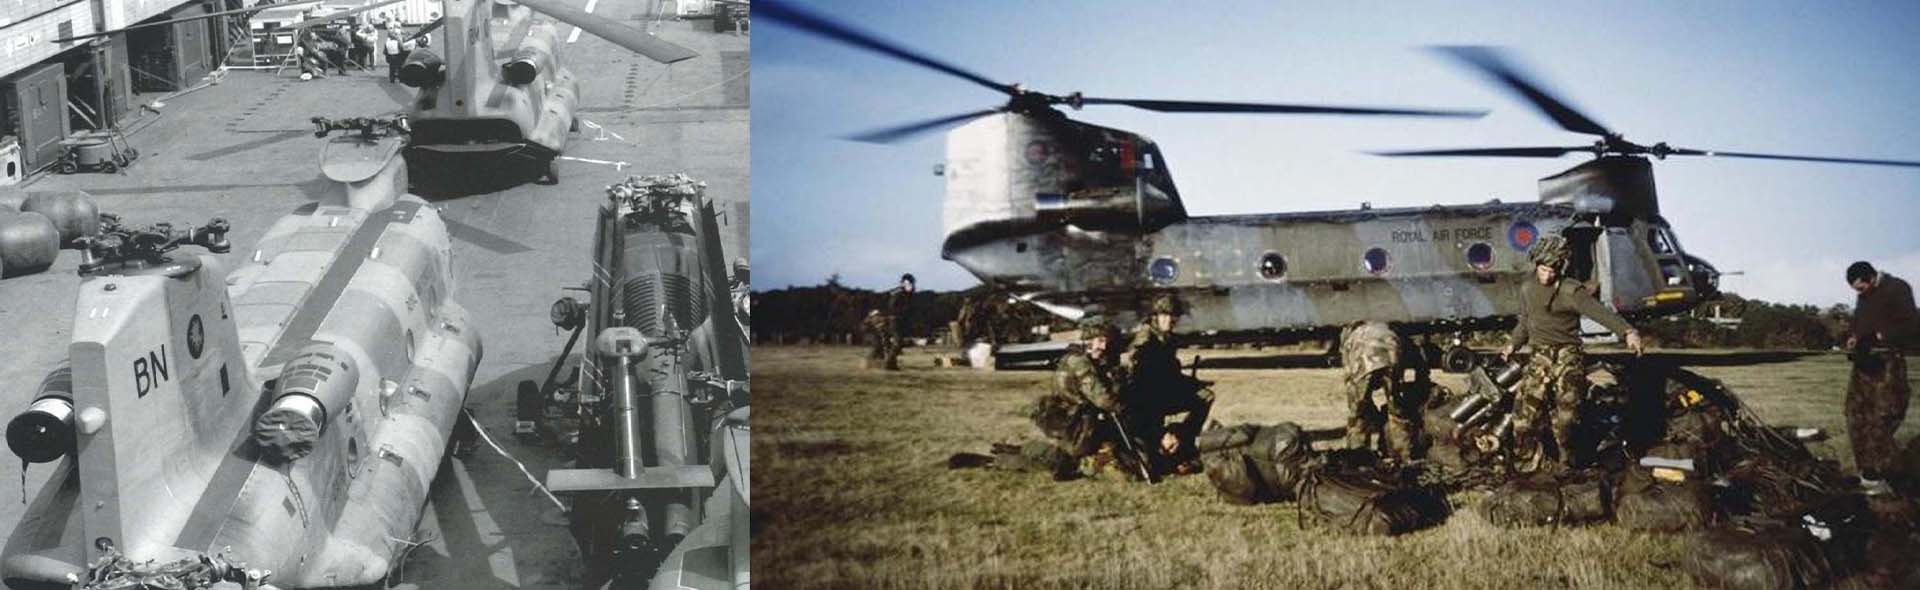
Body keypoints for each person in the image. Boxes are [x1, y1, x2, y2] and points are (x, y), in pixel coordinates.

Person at [1499, 235, 1644, 472]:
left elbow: (1600, 313)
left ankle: (1568, 462)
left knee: (1567, 417)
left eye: (1552, 270)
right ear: (1536, 265)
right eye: (1543, 269)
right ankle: (1526, 461)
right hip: (1539, 355)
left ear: (1561, 267)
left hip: (1568, 354)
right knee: (1524, 417)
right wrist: (1512, 344)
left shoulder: (1571, 291)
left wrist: (1628, 331)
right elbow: (1525, 321)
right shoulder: (1527, 288)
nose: (1547, 275)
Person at [1842, 261, 1916, 495]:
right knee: (1855, 413)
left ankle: (1896, 476)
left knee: (1881, 418)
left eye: (1861, 288)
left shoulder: (1898, 288)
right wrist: (1854, 336)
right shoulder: (1864, 296)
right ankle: (1868, 474)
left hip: (1887, 363)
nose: (1859, 294)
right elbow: (1859, 319)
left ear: (1872, 278)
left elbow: (1912, 324)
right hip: (1864, 361)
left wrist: (1879, 335)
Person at [1119, 294, 1214, 466]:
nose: (1170, 320)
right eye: (1165, 315)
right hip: (1147, 397)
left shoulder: (1167, 338)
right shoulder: (1146, 338)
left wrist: (1190, 384)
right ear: (1155, 316)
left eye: (1173, 316)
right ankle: (1166, 444)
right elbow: (1138, 373)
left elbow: (1169, 372)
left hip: (1164, 389)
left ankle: (1182, 438)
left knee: (1205, 396)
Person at [1340, 321, 1421, 460]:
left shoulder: (1350, 332)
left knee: (1358, 413)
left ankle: (1358, 456)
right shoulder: (1387, 322)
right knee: (1396, 411)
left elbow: (1349, 374)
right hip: (1391, 350)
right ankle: (1401, 455)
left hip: (1363, 357)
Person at [876, 273, 915, 370]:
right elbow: (894, 307)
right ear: (905, 283)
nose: (912, 285)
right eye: (910, 283)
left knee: (889, 343)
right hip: (894, 319)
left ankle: (891, 363)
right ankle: (888, 363)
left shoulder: (898, 292)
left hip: (890, 319)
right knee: (898, 342)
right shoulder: (899, 293)